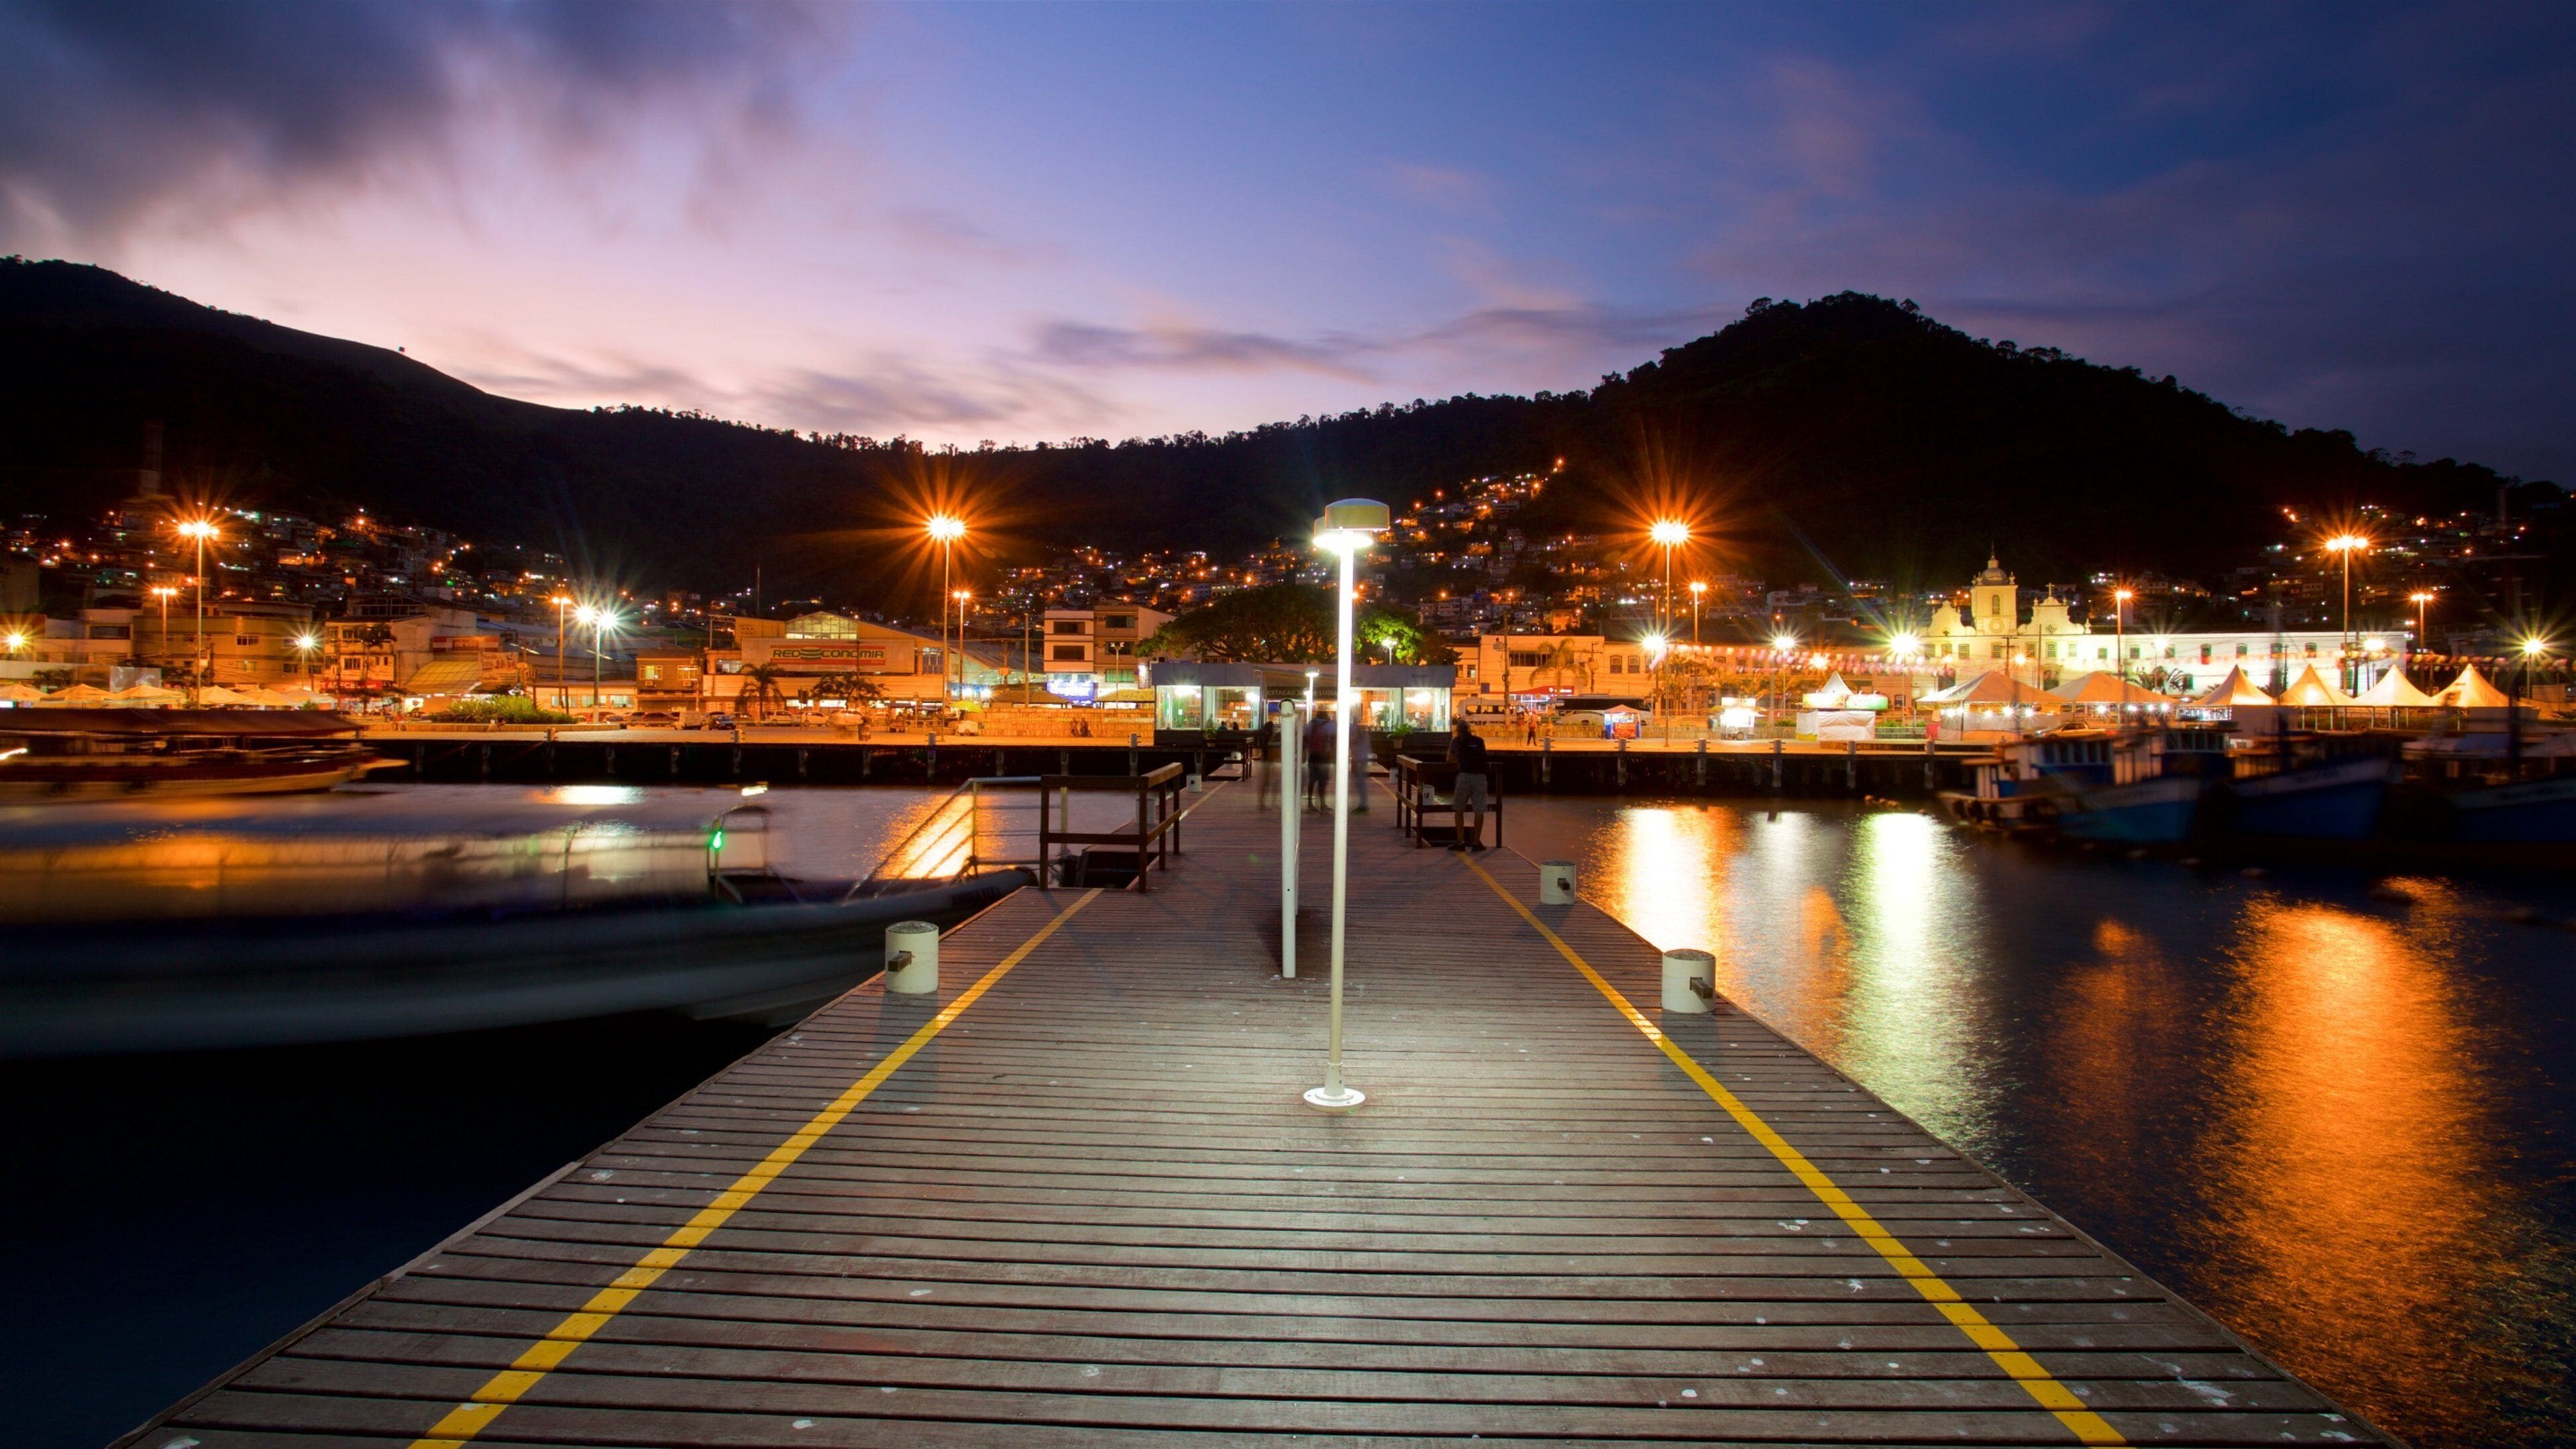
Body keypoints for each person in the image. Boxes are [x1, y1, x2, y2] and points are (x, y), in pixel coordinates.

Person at [1447, 718, 1491, 850]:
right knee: (1479, 810)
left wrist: (1458, 760)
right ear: (1470, 730)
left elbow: (1449, 759)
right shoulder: (1479, 741)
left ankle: (1460, 842)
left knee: (1459, 810)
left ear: (1458, 731)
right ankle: (1476, 842)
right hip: (1480, 777)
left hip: (1464, 777)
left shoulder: (1456, 741)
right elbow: (1485, 757)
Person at [1303, 708, 1334, 810]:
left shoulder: (1311, 724)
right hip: (1324, 756)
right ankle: (1323, 804)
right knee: (1323, 781)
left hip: (1313, 755)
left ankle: (1310, 804)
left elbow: (1305, 738)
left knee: (1312, 780)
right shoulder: (1330, 725)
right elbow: (1335, 738)